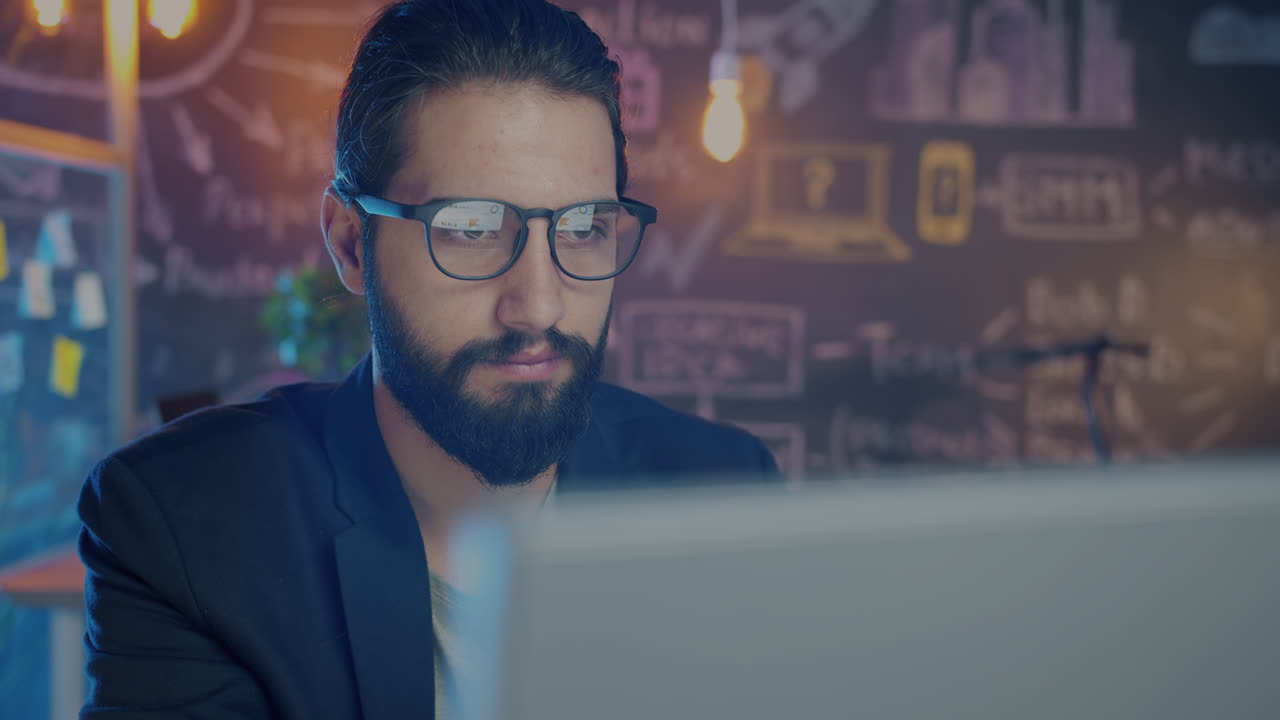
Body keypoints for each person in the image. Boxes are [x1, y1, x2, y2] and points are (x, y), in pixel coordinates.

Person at [77, 0, 779, 717]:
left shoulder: (723, 497)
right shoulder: (188, 530)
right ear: (351, 243)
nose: (539, 306)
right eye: (470, 229)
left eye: (583, 228)